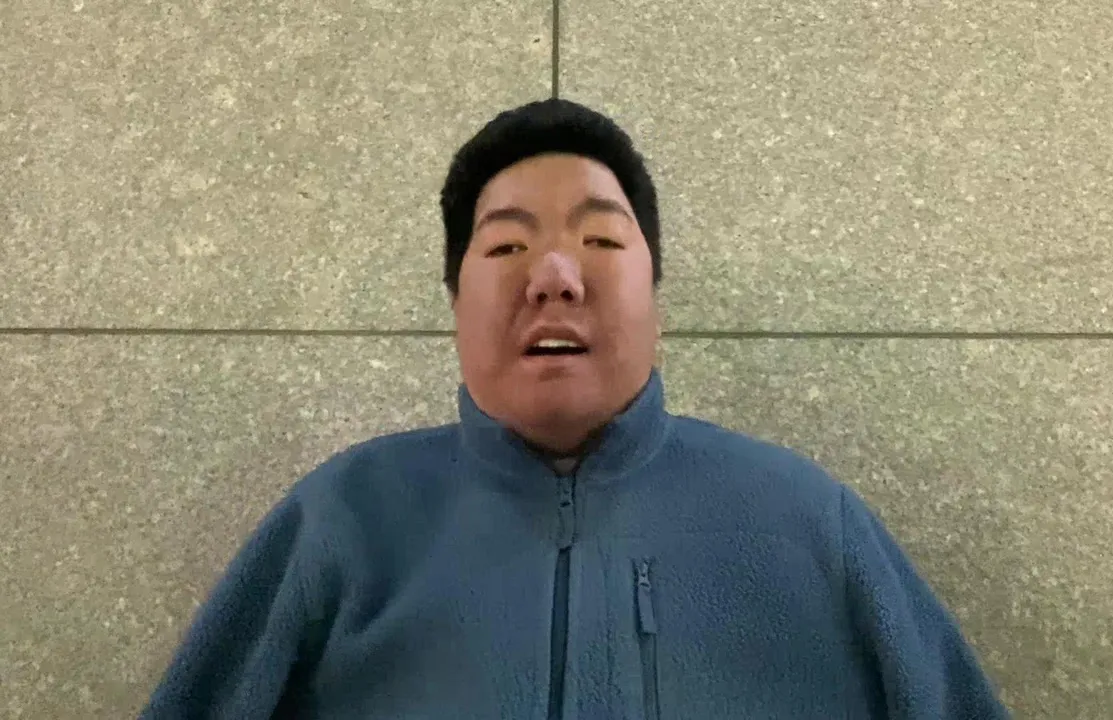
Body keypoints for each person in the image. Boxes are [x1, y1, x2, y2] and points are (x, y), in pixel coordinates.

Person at [140, 99, 1010, 719]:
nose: (554, 275)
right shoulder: (341, 520)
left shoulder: (811, 525)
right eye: (506, 246)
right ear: (455, 304)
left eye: (599, 239)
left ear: (656, 300)